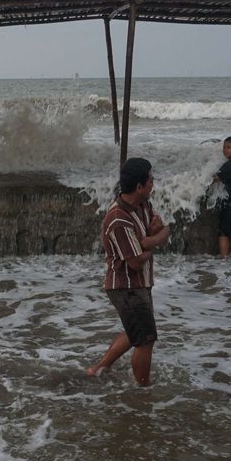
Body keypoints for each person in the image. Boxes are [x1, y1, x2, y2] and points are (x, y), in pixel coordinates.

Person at [86, 157, 171, 386]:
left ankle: (98, 369)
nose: (153, 183)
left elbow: (160, 229)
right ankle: (143, 389)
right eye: (150, 180)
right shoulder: (118, 219)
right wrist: (152, 243)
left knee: (136, 332)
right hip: (126, 286)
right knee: (145, 339)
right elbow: (135, 262)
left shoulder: (143, 205)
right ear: (139, 187)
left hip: (139, 283)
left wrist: (147, 241)